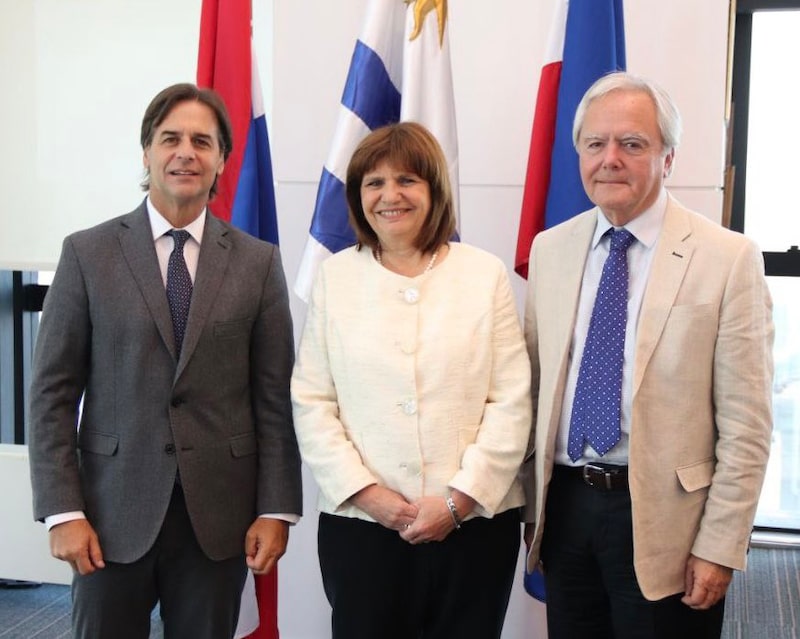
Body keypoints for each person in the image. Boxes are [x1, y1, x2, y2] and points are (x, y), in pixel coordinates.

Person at [27, 83, 302, 639]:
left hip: (220, 521)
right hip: (109, 514)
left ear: (222, 158)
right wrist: (62, 510)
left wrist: (277, 508)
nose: (186, 152)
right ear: (147, 151)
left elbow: (273, 398)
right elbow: (51, 394)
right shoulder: (87, 253)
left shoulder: (258, 263)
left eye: (202, 141)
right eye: (170, 138)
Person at [522, 71, 774, 638]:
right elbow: (536, 389)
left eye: (632, 144)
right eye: (595, 143)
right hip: (566, 508)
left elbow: (747, 425)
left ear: (668, 158)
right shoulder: (551, 248)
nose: (610, 158)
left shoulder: (727, 258)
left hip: (668, 521)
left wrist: (720, 546)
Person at [291, 121, 532, 639]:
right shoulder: (335, 276)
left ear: (434, 190)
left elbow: (512, 400)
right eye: (373, 183)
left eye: (407, 180)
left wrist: (457, 501)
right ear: (358, 198)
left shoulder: (483, 274)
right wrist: (368, 494)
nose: (389, 195)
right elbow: (312, 401)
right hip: (362, 526)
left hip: (473, 527)